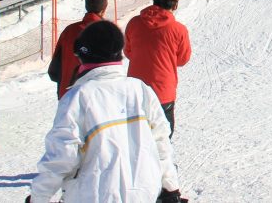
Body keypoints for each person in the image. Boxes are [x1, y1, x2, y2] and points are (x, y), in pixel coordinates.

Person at [28, 20, 181, 203]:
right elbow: (161, 142)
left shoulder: (78, 98)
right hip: (144, 192)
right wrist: (171, 187)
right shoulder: (140, 90)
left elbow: (62, 157)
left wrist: (39, 197)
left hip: (93, 195)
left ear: (82, 55)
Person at [125, 0, 191, 138]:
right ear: (174, 5)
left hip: (136, 90)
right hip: (163, 91)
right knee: (163, 138)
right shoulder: (178, 29)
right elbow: (182, 59)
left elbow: (128, 51)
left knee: (136, 138)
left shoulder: (134, 23)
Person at [47, 0, 108, 99]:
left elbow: (54, 70)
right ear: (103, 10)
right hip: (96, 98)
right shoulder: (108, 34)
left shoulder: (68, 31)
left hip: (68, 97)